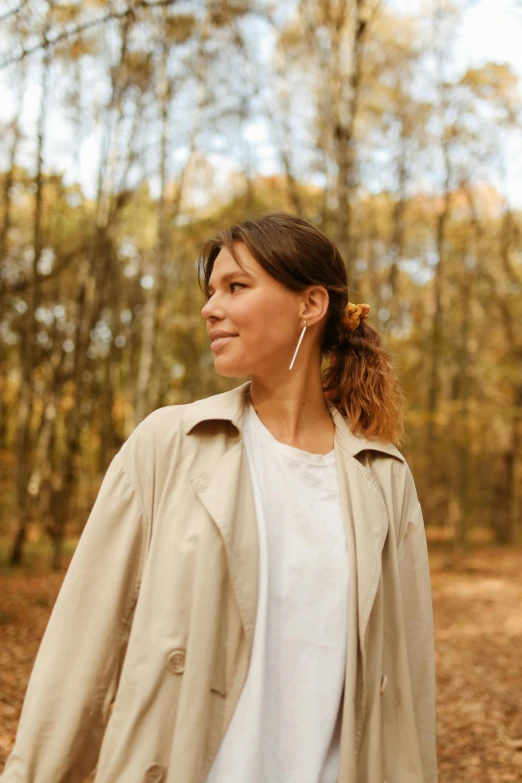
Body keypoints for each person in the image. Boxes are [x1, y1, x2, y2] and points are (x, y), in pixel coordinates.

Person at [1, 212, 437, 783]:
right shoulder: (169, 445)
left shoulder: (383, 475)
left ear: (310, 305)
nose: (210, 308)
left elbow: (409, 680)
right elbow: (82, 648)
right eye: (211, 292)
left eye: (236, 287)